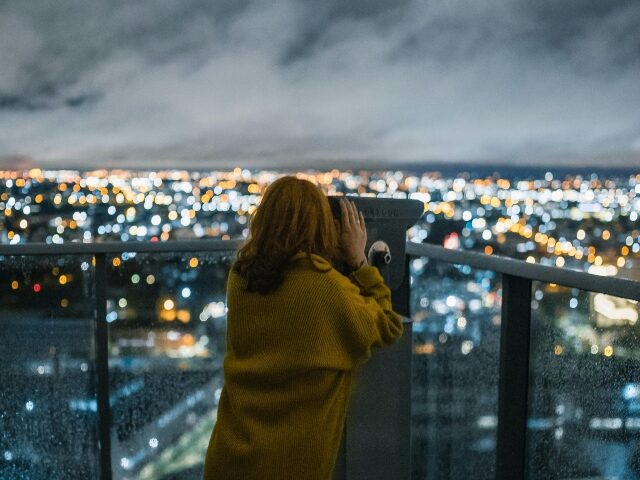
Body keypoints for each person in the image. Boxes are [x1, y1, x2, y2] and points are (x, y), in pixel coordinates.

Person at [203, 175, 403, 480]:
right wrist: (359, 261)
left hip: (230, 454)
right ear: (321, 226)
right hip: (288, 464)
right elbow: (387, 326)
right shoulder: (324, 287)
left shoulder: (241, 276)